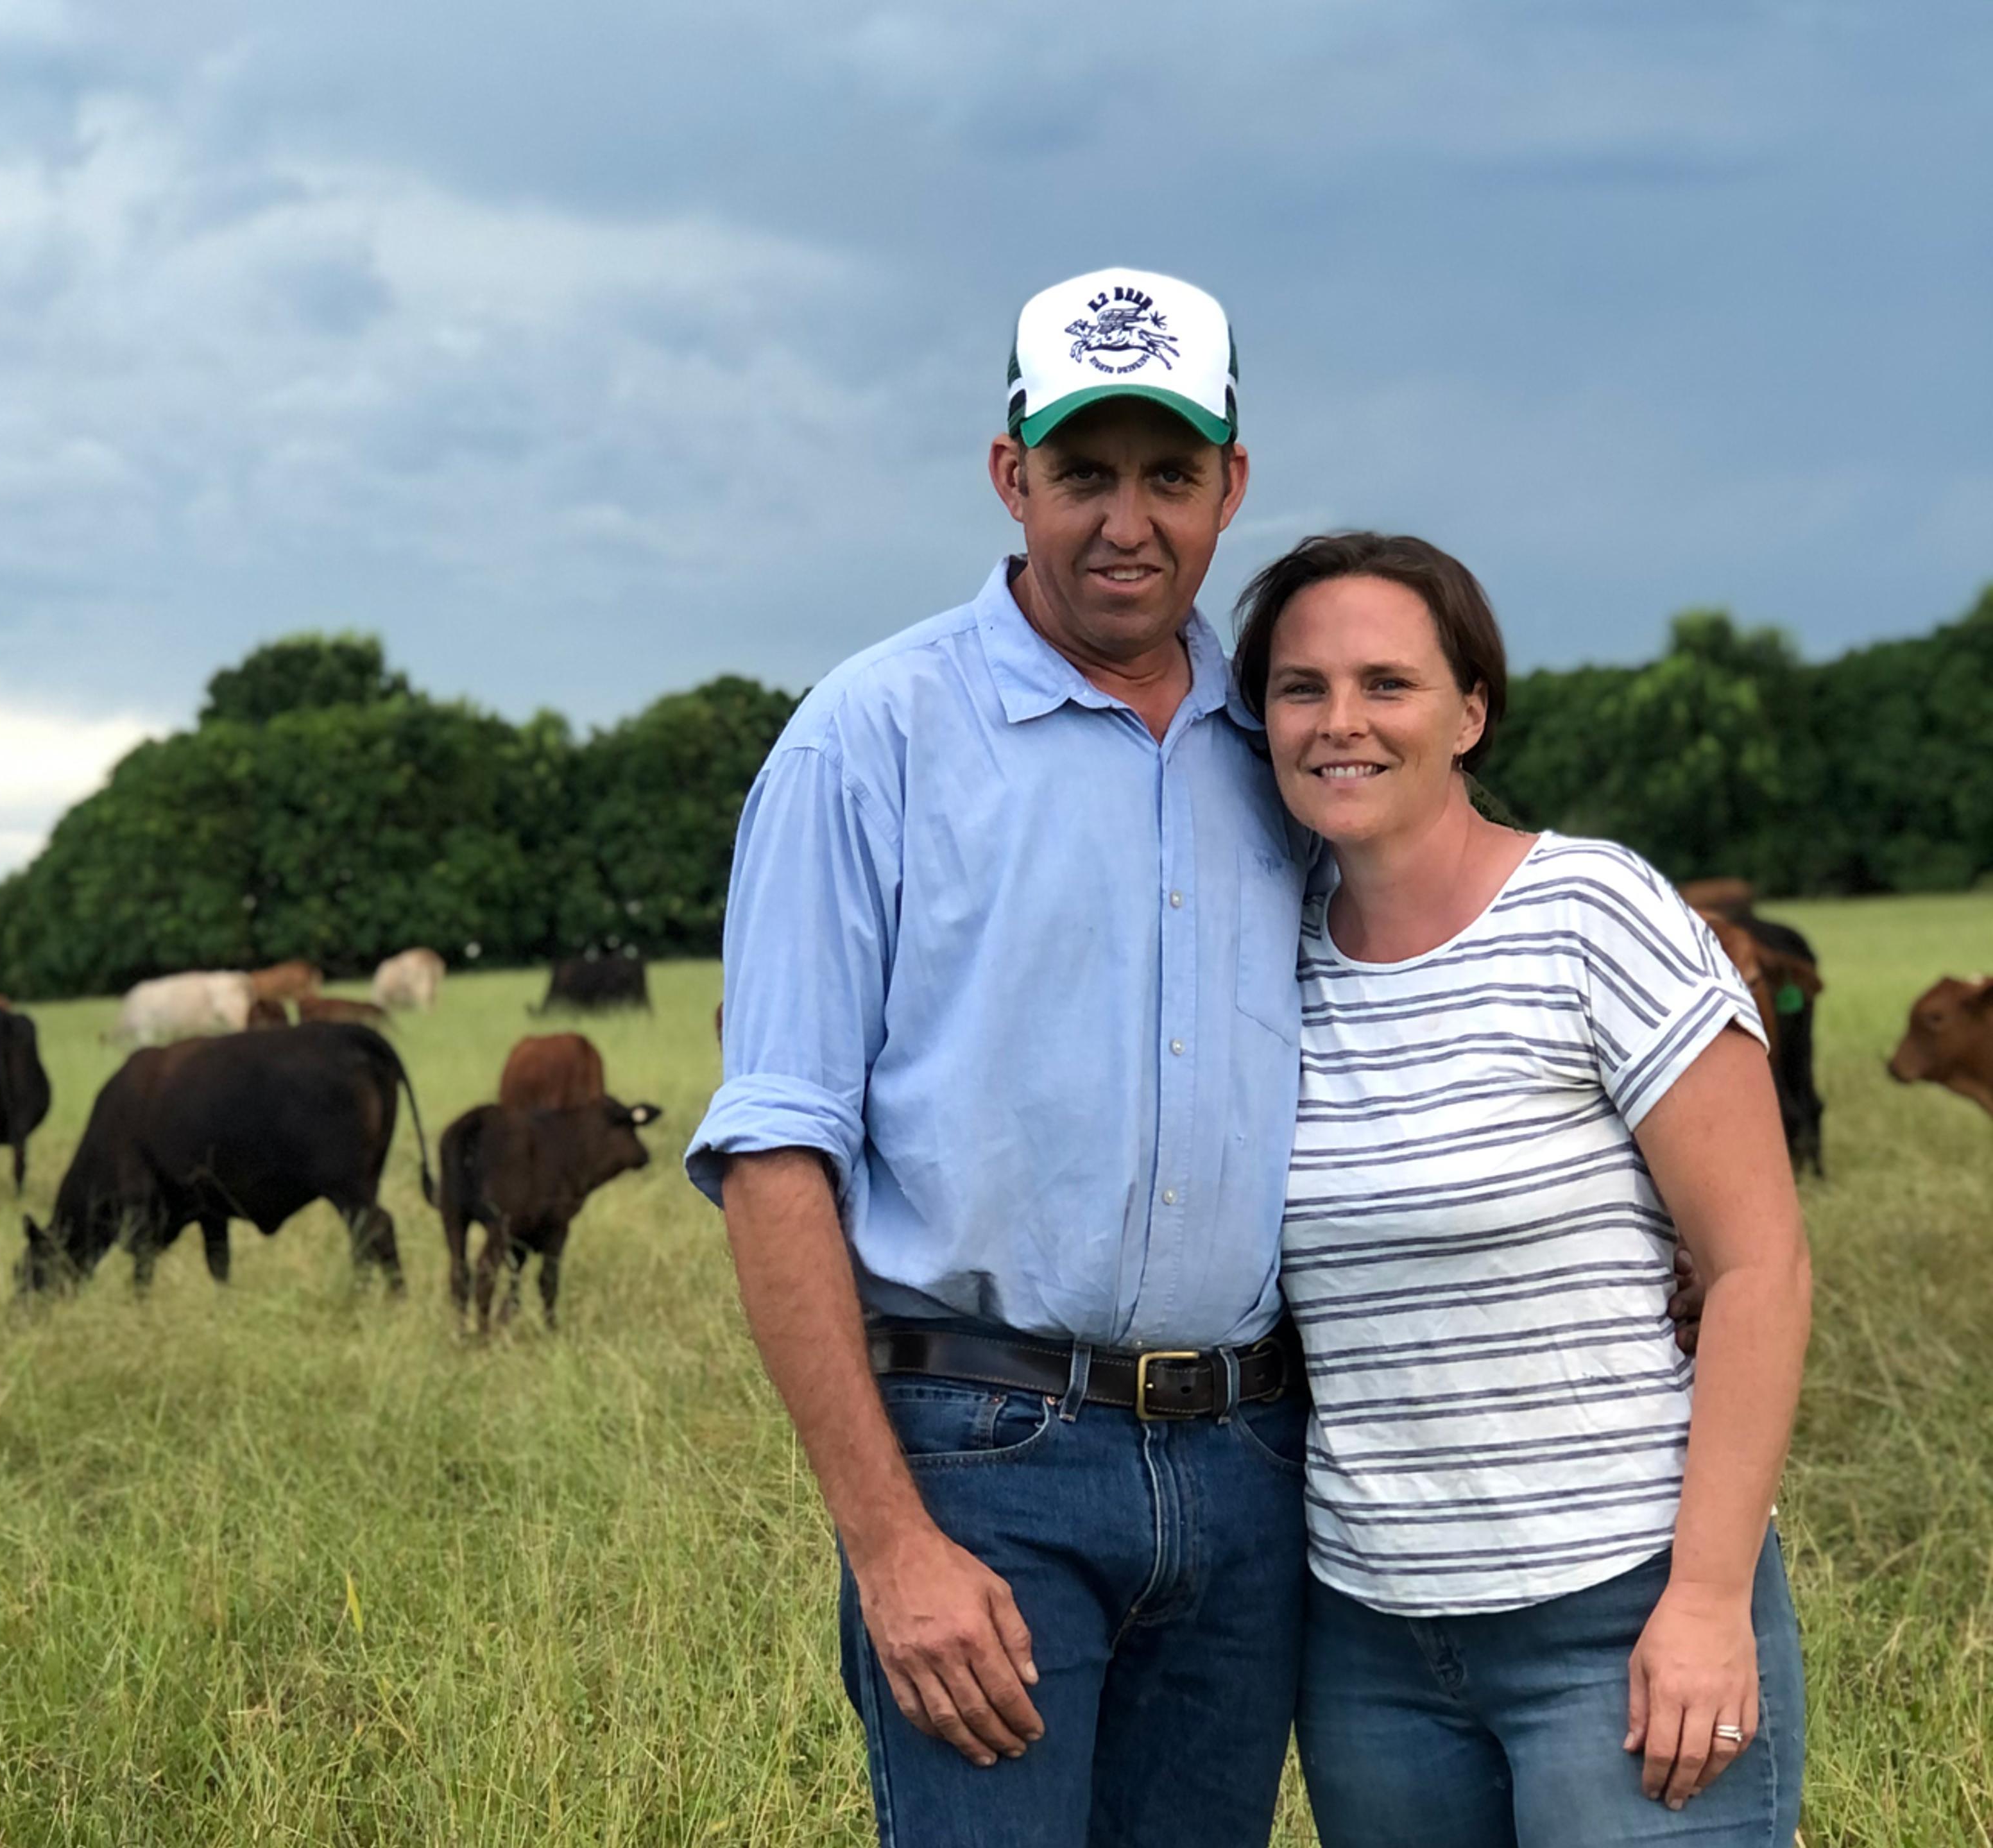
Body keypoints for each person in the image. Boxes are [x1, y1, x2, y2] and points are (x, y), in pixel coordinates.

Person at [686, 268, 1316, 1846]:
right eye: (1083, 473)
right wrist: (893, 1545)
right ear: (1007, 472)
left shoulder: (1296, 754)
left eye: (1170, 476)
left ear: (1232, 485)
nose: (1127, 522)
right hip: (987, 1465)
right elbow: (774, 1161)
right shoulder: (872, 736)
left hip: (1250, 1464)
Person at [1231, 532, 1809, 1845]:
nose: (1341, 723)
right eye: (1300, 687)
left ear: (1472, 710)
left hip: (1622, 1613)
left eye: (1389, 683)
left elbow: (1758, 1269)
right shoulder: (1265, 964)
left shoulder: (1594, 913)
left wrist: (1710, 1598)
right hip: (1371, 1647)